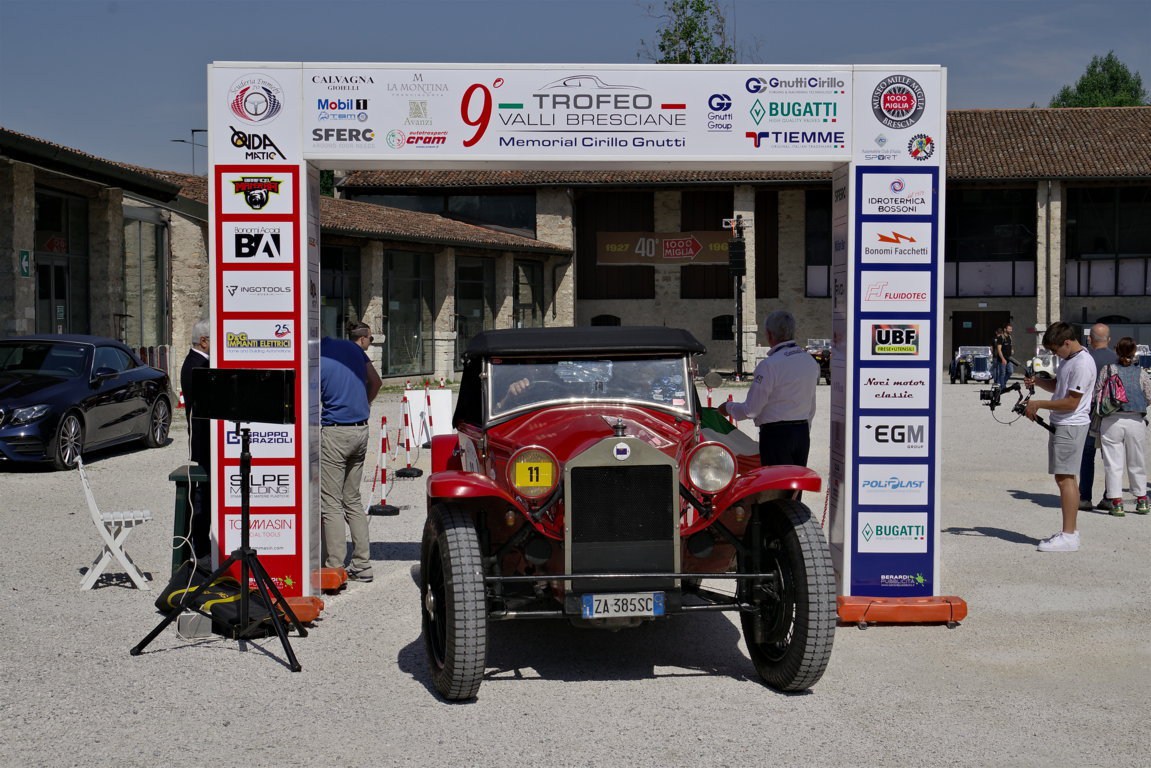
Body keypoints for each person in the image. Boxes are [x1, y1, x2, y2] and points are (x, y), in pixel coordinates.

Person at [1024, 321, 1097, 552]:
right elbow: (1059, 386)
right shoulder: (1069, 359)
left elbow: (1071, 402)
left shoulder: (1082, 364)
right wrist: (1038, 381)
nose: (1055, 354)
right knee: (1065, 478)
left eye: (1056, 350)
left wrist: (1038, 404)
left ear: (1067, 342)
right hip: (1064, 424)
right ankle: (1070, 532)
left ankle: (1068, 536)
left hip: (1071, 425)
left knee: (1065, 479)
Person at [320, 321, 382, 582]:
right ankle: (362, 565)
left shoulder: (317, 357)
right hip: (360, 429)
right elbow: (376, 382)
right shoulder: (353, 348)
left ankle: (334, 567)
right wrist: (362, 402)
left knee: (330, 502)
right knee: (353, 500)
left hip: (335, 432)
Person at [719, 310, 819, 467]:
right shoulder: (810, 361)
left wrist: (728, 407)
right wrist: (805, 431)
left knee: (776, 482)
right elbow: (811, 405)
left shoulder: (769, 365)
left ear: (769, 334)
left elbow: (751, 410)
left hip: (776, 436)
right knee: (795, 481)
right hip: (801, 432)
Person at [1095, 337, 1151, 516]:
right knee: (1137, 460)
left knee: (1113, 462)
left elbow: (1097, 392)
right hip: (1135, 420)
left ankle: (1117, 502)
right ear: (1134, 352)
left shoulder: (1108, 369)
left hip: (1112, 419)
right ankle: (1142, 499)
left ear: (1116, 351)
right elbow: (1148, 396)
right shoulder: (1141, 373)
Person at [179, 319, 212, 559]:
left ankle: (202, 542)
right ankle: (200, 544)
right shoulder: (197, 366)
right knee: (203, 494)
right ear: (203, 341)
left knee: (207, 494)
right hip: (204, 441)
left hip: (207, 440)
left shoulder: (199, 363)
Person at [1077, 323, 1118, 511]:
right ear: (1109, 339)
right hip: (1112, 413)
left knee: (1087, 455)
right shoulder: (1117, 359)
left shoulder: (1086, 358)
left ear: (1090, 339)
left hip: (1090, 412)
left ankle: (1085, 497)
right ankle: (1110, 497)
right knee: (1111, 457)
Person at [995, 323, 1015, 389]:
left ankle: (1001, 383)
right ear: (1005, 329)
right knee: (1002, 373)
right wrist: (1003, 359)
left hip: (1009, 358)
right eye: (1009, 329)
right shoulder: (1000, 338)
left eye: (1011, 329)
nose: (1011, 330)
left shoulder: (1010, 337)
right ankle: (1002, 386)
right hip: (1002, 359)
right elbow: (999, 350)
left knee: (1010, 371)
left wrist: (1012, 350)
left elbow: (1010, 345)